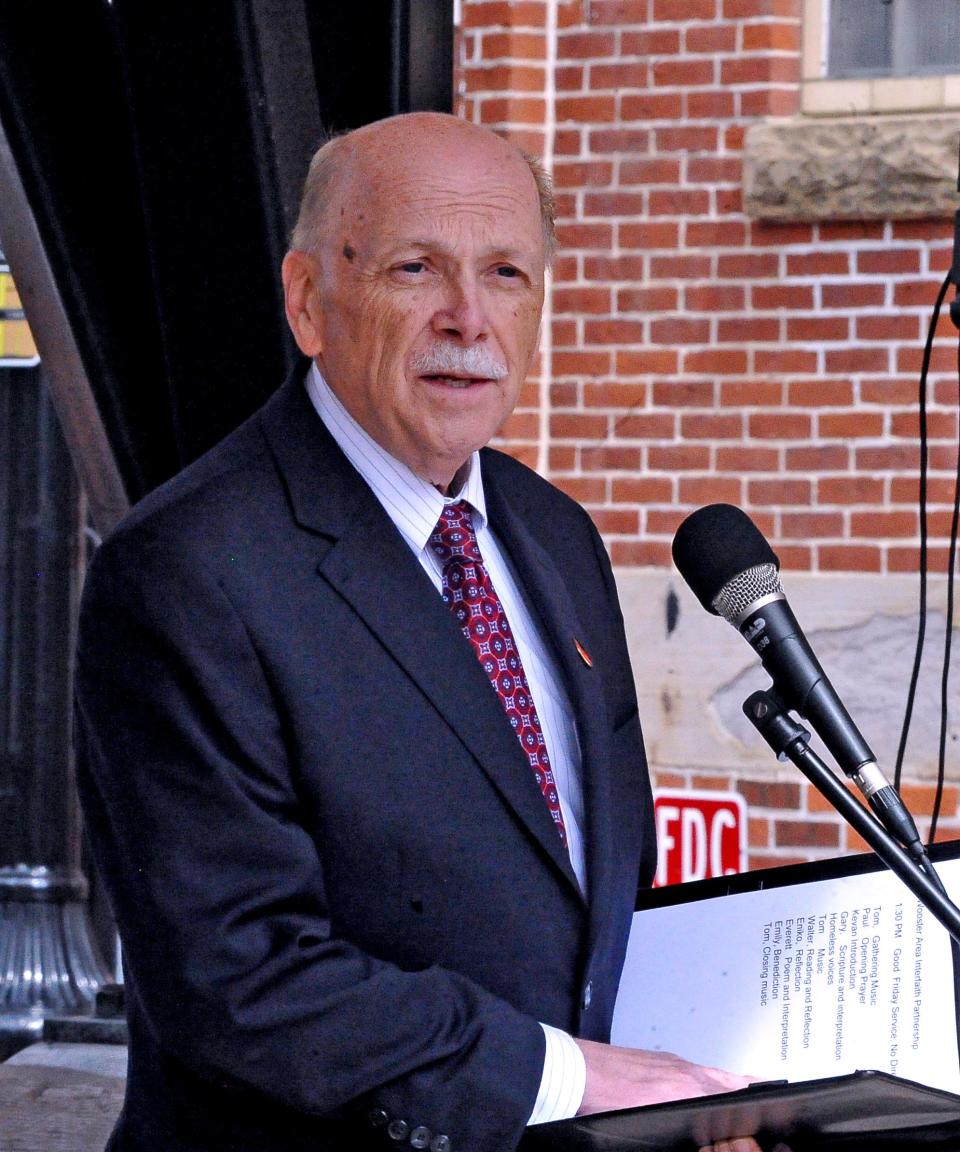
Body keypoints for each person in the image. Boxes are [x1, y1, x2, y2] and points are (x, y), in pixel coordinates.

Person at [74, 112, 772, 1152]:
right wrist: (571, 1078)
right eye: (416, 269)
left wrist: (693, 1087)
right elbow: (240, 977)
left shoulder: (553, 534)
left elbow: (587, 882)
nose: (468, 317)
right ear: (309, 301)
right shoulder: (186, 572)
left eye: (506, 274)